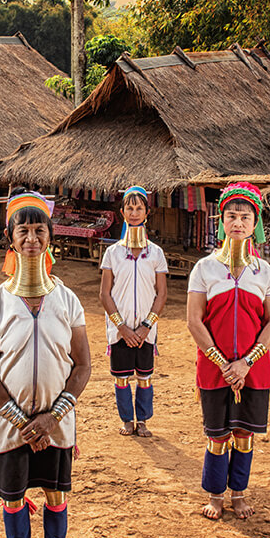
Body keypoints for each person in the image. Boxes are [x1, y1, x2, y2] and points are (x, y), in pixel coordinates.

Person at [0, 190, 91, 538]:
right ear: (10, 237)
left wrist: (51, 418)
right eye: (22, 230)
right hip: (11, 427)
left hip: (56, 424)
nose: (31, 238)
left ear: (50, 237)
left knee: (56, 495)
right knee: (13, 499)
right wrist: (24, 422)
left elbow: (83, 365)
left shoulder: (67, 300)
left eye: (39, 229)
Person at [186, 182, 270, 521]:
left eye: (245, 217)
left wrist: (246, 363)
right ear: (221, 221)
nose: (238, 222)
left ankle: (238, 494)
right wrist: (224, 363)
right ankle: (215, 496)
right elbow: (194, 320)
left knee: (244, 436)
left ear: (256, 223)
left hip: (254, 370)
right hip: (215, 369)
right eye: (231, 216)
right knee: (217, 436)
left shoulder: (264, 271)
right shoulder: (205, 268)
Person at [99, 185, 168, 437]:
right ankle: (127, 420)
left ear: (147, 213)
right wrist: (123, 327)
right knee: (121, 378)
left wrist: (146, 326)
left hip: (146, 332)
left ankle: (143, 421)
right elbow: (105, 294)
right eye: (130, 208)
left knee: (145, 377)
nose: (134, 212)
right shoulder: (113, 253)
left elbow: (162, 293)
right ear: (122, 212)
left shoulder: (156, 253)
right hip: (120, 330)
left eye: (139, 208)